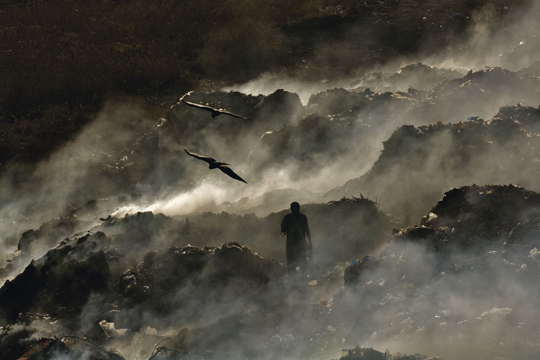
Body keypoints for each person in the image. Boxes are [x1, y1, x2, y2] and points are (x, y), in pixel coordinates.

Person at [280, 202, 312, 274]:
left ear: (291, 209)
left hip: (291, 245)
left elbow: (283, 230)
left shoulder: (287, 218)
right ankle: (303, 280)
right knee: (302, 262)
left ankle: (293, 281)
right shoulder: (303, 217)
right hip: (301, 244)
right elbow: (307, 230)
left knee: (291, 263)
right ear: (299, 208)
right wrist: (310, 241)